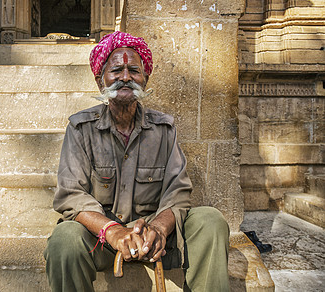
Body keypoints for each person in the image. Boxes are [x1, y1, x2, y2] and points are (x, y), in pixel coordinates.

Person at [44, 31, 230, 292]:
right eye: (116, 70)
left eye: (134, 70)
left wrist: (159, 229)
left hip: (154, 238)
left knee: (210, 220)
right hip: (103, 239)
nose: (126, 77)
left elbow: (178, 192)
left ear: (145, 79)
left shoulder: (164, 130)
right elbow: (71, 196)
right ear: (101, 81)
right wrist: (113, 232)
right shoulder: (81, 129)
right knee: (64, 240)